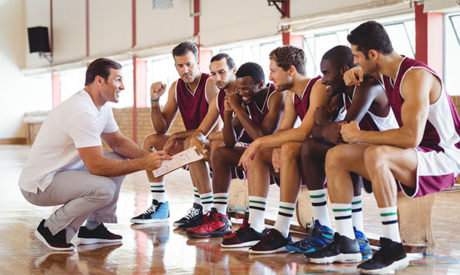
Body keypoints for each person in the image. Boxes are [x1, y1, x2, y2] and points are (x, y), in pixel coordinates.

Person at [305, 21, 460, 274]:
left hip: (443, 158)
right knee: (336, 156)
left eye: (356, 56)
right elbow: (365, 75)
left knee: (377, 154)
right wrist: (353, 75)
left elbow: (411, 137)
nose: (355, 62)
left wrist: (359, 135)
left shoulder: (416, 77)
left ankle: (393, 247)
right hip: (414, 155)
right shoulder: (385, 73)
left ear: (372, 54)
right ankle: (346, 241)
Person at [19, 58, 169, 251]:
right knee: (103, 188)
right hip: (39, 184)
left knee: (119, 158)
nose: (122, 86)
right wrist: (144, 164)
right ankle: (52, 229)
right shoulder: (81, 111)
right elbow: (96, 166)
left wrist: (153, 158)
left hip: (63, 172)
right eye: (118, 80)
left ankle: (93, 228)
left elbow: (118, 142)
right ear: (99, 81)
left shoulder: (101, 106)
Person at [285, 45, 398, 259]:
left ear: (344, 69)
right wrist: (321, 124)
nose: (323, 80)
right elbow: (319, 133)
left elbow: (341, 133)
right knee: (309, 148)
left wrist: (321, 120)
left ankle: (357, 234)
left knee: (343, 151)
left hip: (388, 155)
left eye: (326, 73)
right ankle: (324, 228)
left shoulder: (367, 87)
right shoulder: (341, 93)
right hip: (362, 151)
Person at [234, 45, 330, 253]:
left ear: (291, 70)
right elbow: (285, 128)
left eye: (274, 71)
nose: (270, 76)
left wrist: (262, 141)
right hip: (308, 152)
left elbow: (304, 132)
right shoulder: (292, 94)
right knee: (260, 152)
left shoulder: (318, 87)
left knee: (276, 147)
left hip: (326, 153)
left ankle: (282, 229)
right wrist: (273, 144)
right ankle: (256, 225)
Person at [186, 62, 284, 238]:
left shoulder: (275, 97)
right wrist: (228, 113)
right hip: (262, 156)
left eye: (245, 89)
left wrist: (239, 108)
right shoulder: (246, 101)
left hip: (280, 157)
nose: (240, 93)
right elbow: (230, 141)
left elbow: (262, 137)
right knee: (221, 154)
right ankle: (220, 217)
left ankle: (256, 223)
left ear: (261, 85)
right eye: (238, 89)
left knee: (254, 153)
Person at [130, 42, 219, 225]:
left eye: (189, 64)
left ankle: (201, 206)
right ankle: (159, 204)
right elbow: (161, 129)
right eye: (180, 65)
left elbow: (214, 131)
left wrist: (178, 135)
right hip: (193, 142)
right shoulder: (176, 88)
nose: (185, 69)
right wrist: (154, 100)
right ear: (175, 66)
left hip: (213, 144)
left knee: (192, 143)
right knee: (151, 142)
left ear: (198, 61)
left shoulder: (210, 83)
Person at [175, 53, 236, 230]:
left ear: (233, 71)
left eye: (222, 72)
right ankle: (206, 211)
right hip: (230, 143)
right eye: (213, 74)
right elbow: (202, 131)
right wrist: (190, 145)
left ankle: (220, 215)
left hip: (245, 145)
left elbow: (234, 134)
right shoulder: (219, 97)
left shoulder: (243, 90)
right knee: (193, 143)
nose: (217, 78)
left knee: (215, 145)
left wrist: (205, 138)